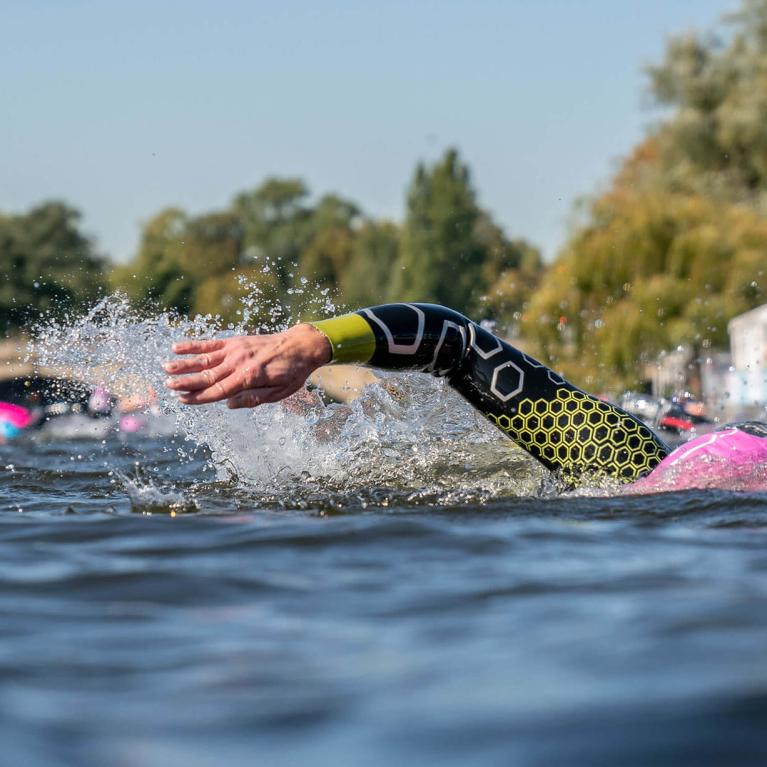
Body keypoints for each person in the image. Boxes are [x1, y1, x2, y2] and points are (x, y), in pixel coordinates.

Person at [164, 302, 767, 488]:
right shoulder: (650, 460)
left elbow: (457, 344)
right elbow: (454, 342)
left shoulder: (638, 464)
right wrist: (314, 342)